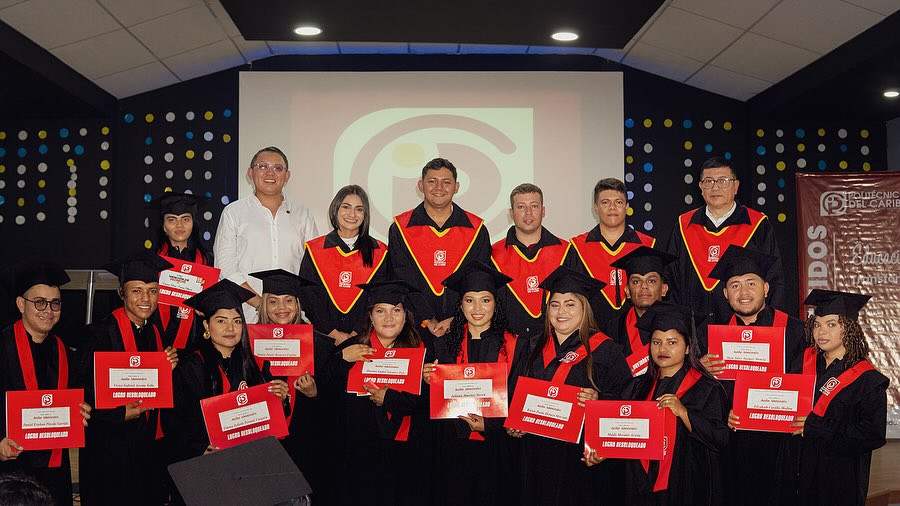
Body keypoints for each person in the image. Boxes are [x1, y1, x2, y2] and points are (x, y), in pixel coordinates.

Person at [586, 301, 729, 506]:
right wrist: (601, 452)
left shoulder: (707, 389)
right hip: (639, 486)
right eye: (656, 342)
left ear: (688, 348)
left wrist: (683, 412)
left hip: (686, 484)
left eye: (672, 342)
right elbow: (621, 435)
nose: (663, 349)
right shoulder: (636, 388)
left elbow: (720, 439)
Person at [510, 266, 630, 506]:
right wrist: (514, 425)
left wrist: (599, 400)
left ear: (585, 307)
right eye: (554, 304)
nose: (561, 311)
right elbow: (515, 395)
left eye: (570, 304)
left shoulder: (607, 351)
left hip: (580, 461)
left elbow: (625, 404)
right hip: (535, 457)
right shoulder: (531, 347)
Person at [161, 280, 289, 504]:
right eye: (221, 321)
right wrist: (200, 448)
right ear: (207, 327)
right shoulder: (188, 368)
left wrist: (281, 398)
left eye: (237, 321)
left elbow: (272, 421)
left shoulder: (258, 366)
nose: (231, 329)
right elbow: (172, 423)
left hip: (248, 467)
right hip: (203, 468)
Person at [704, 246, 806, 506]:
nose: (744, 292)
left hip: (781, 444)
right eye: (735, 286)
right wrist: (701, 370)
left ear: (766, 288)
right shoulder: (711, 338)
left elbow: (805, 386)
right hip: (733, 444)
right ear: (726, 294)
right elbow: (704, 396)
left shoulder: (795, 331)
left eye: (751, 283)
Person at [77, 250, 179, 506]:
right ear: (121, 293)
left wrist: (170, 369)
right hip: (109, 451)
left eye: (153, 291)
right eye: (137, 291)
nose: (146, 298)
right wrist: (119, 414)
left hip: (146, 450)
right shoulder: (98, 335)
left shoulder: (156, 334)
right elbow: (80, 394)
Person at [425, 262, 526, 506]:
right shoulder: (443, 345)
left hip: (499, 448)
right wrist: (428, 380)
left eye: (485, 300)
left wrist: (489, 424)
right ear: (460, 305)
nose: (477, 308)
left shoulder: (517, 345)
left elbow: (520, 398)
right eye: (470, 300)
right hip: (454, 449)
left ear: (495, 304)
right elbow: (437, 404)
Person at [325, 280, 430, 506]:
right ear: (370, 316)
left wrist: (390, 398)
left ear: (405, 315)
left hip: (407, 454)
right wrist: (341, 360)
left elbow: (429, 403)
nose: (389, 319)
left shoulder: (422, 350)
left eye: (396, 311)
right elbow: (323, 393)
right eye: (380, 311)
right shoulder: (351, 348)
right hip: (360, 453)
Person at [0, 262, 91, 506]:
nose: (48, 310)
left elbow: (72, 403)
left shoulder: (64, 351)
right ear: (21, 304)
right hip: (9, 470)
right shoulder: (3, 345)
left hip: (54, 469)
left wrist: (80, 412)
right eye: (39, 302)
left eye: (55, 303)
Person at [791, 290, 888, 506]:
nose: (821, 331)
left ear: (849, 328)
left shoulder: (868, 381)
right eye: (817, 324)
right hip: (800, 471)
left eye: (831, 324)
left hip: (840, 477)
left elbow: (873, 434)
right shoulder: (800, 365)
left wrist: (820, 428)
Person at [665, 156, 784, 323]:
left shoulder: (758, 225)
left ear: (735, 186)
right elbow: (672, 279)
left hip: (744, 328)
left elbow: (773, 279)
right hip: (693, 327)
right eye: (709, 181)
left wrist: (767, 325)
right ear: (700, 187)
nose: (715, 187)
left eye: (723, 181)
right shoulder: (683, 226)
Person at [249, 268, 331, 502]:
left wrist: (315, 394)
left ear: (298, 304)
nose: (281, 308)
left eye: (288, 301)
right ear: (264, 305)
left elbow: (333, 407)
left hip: (304, 441)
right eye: (273, 301)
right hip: (264, 443)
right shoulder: (249, 343)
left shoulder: (318, 345)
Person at [388, 157, 491, 337]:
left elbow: (477, 281)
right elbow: (402, 279)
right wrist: (427, 319)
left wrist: (456, 318)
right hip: (414, 327)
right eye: (432, 181)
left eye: (446, 182)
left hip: (462, 326)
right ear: (421, 185)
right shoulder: (400, 228)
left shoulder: (476, 230)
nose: (439, 188)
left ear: (456, 187)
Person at [214, 146, 319, 322]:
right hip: (246, 315)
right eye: (263, 166)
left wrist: (286, 307)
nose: (270, 173)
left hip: (292, 318)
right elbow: (225, 266)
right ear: (250, 172)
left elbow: (313, 266)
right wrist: (259, 303)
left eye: (278, 168)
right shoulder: (233, 212)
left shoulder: (303, 213)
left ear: (287, 176)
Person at [299, 185, 388, 344]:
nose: (352, 214)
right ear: (335, 209)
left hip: (364, 337)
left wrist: (358, 332)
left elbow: (378, 298)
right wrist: (332, 333)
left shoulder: (380, 252)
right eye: (346, 207)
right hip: (323, 337)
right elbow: (309, 297)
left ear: (365, 214)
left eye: (359, 209)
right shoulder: (315, 249)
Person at [567, 178, 656, 325]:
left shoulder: (647, 245)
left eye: (619, 202)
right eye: (605, 202)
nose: (612, 208)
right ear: (595, 207)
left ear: (627, 206)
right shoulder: (577, 248)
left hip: (637, 333)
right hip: (592, 334)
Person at [490, 183, 569, 340]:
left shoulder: (566, 251)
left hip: (556, 344)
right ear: (511, 213)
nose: (528, 213)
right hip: (509, 346)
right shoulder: (493, 255)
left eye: (534, 206)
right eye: (521, 207)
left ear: (543, 211)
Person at [151, 192, 212, 351]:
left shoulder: (208, 260)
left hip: (197, 338)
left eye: (185, 219)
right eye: (172, 220)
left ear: (194, 223)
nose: (179, 226)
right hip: (160, 335)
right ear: (164, 226)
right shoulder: (151, 261)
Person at [606, 246, 677, 377]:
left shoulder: (682, 323)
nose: (644, 286)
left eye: (651, 281)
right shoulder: (613, 329)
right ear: (627, 291)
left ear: (664, 288)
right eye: (636, 281)